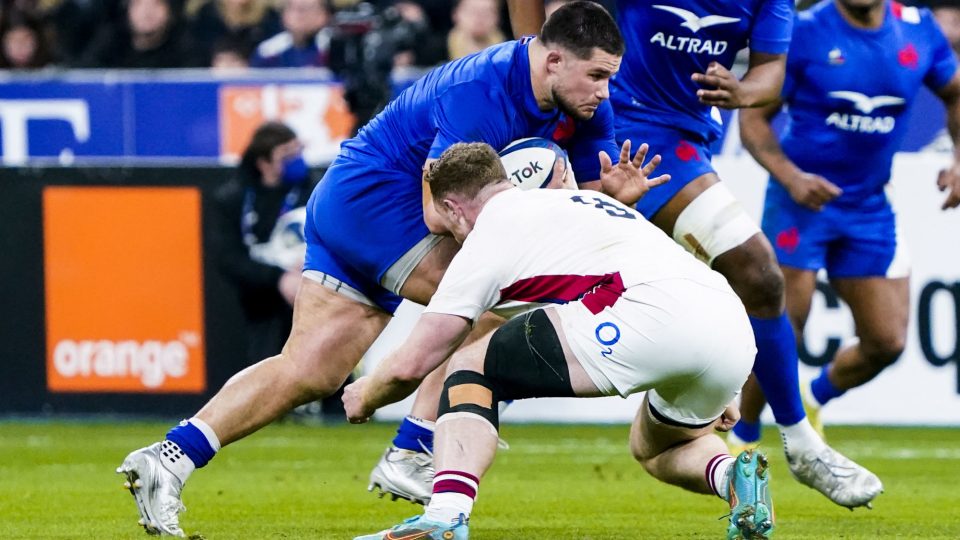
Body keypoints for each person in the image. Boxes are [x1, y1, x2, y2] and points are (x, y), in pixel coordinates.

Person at [117, 3, 662, 536]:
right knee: (507, 298)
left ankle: (169, 459)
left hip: (349, 203)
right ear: (553, 62)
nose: (605, 92)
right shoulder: (479, 92)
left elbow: (580, 209)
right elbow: (437, 210)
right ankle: (417, 446)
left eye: (609, 77)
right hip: (378, 206)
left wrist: (611, 197)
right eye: (595, 75)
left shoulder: (588, 105)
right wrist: (517, 229)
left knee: (309, 369)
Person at [506, 0, 883, 508]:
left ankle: (422, 441)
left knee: (535, 288)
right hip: (629, 133)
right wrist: (528, 62)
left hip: (690, 140)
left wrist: (743, 90)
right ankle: (801, 442)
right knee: (758, 272)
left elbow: (770, 74)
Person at [344, 142, 772, 540]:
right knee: (655, 449)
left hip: (649, 314)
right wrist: (715, 370)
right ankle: (732, 476)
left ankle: (444, 518)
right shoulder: (586, 201)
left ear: (453, 209)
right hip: (726, 324)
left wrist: (367, 395)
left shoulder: (490, 234)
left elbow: (414, 362)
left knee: (469, 367)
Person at [737, 0, 960, 438]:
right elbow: (753, 117)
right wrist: (792, 178)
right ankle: (742, 433)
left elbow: (955, 92)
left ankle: (814, 397)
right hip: (800, 205)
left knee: (887, 342)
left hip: (869, 206)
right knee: (782, 330)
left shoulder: (919, 30)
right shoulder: (803, 31)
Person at [249, 0, 330, 68]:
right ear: (283, 15)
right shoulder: (268, 51)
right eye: (293, 8)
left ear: (324, 15)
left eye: (307, 8)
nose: (300, 15)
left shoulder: (333, 47)